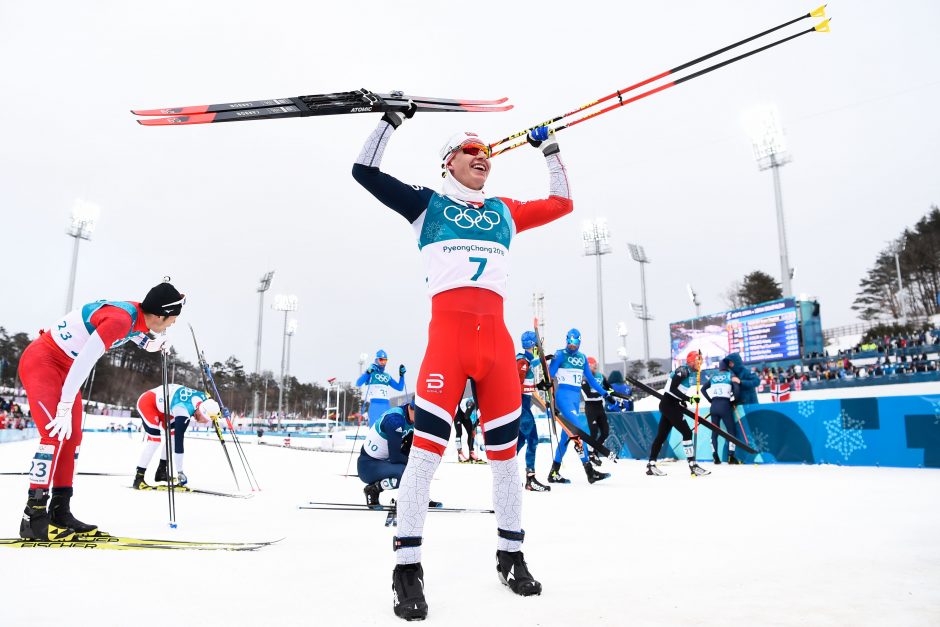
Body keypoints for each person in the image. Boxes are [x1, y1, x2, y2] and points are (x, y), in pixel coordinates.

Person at [352, 103, 573, 619]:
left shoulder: (504, 210)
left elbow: (562, 202)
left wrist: (551, 149)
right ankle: (406, 570)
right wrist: (390, 119)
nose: (483, 157)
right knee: (425, 460)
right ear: (448, 162)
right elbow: (364, 171)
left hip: (495, 347)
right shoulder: (426, 205)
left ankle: (511, 555)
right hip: (446, 347)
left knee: (506, 462)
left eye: (487, 151)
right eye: (471, 151)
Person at [17, 280, 184, 540]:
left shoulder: (136, 316)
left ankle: (60, 511)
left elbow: (137, 334)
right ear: (161, 315)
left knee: (72, 438)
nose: (173, 323)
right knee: (53, 433)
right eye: (173, 318)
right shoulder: (120, 319)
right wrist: (63, 405)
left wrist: (153, 344)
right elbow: (86, 359)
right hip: (44, 361)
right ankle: (34, 516)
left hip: (65, 367)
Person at [547, 330, 612, 485]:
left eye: (575, 343)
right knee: (577, 432)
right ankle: (590, 471)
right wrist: (549, 363)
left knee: (566, 437)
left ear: (580, 342)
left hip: (576, 399)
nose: (572, 345)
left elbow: (591, 379)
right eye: (570, 342)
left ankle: (554, 472)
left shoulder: (582, 357)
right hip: (564, 397)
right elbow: (549, 375)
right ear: (566, 340)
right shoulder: (560, 354)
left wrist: (605, 393)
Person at [132, 384, 220, 489]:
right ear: (201, 412)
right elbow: (179, 442)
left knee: (172, 438)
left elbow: (210, 399)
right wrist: (180, 472)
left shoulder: (205, 399)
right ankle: (138, 478)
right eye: (205, 419)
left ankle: (161, 472)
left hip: (165, 409)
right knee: (155, 441)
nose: (204, 422)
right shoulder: (183, 412)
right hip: (148, 403)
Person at [358, 400, 441, 509]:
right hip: (368, 466)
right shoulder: (395, 420)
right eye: (420, 415)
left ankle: (418, 496)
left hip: (384, 461)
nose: (422, 419)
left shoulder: (413, 417)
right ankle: (373, 489)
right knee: (407, 472)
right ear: (411, 409)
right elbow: (395, 457)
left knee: (418, 467)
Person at [646, 352, 710, 477]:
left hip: (671, 404)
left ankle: (651, 465)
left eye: (700, 361)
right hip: (669, 405)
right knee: (687, 432)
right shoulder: (683, 370)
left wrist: (682, 401)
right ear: (691, 361)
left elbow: (676, 391)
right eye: (697, 361)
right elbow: (671, 390)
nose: (699, 363)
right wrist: (688, 399)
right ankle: (693, 465)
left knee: (661, 436)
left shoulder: (690, 372)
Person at [517, 331, 550, 492]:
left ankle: (506, 474)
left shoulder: (527, 360)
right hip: (522, 407)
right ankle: (530, 479)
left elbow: (526, 384)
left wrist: (541, 386)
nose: (539, 346)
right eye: (537, 343)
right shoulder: (522, 361)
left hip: (524, 405)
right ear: (532, 344)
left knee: (521, 441)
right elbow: (516, 385)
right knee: (533, 440)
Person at [701, 357, 741, 465]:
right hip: (725, 405)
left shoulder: (713, 376)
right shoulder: (730, 376)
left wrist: (711, 400)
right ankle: (731, 457)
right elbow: (736, 390)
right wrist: (734, 401)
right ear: (728, 367)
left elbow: (702, 389)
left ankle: (715, 457)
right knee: (731, 432)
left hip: (714, 406)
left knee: (715, 432)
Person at [356, 350, 407, 427]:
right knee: (374, 429)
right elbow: (358, 383)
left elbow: (399, 388)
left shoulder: (387, 376)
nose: (383, 363)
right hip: (375, 405)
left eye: (385, 360)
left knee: (387, 429)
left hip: (386, 405)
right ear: (376, 360)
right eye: (381, 360)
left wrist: (402, 375)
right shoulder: (371, 373)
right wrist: (368, 372)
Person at [581, 356, 613, 467]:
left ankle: (594, 451)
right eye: (593, 366)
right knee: (594, 432)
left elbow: (610, 388)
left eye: (596, 366)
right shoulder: (584, 379)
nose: (595, 368)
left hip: (600, 407)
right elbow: (588, 395)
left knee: (605, 432)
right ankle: (590, 453)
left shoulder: (601, 376)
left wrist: (613, 394)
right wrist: (603, 393)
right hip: (590, 407)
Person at [453, 396, 484, 463]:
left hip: (466, 412)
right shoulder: (472, 403)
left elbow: (479, 419)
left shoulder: (483, 405)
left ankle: (471, 453)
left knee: (471, 432)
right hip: (459, 412)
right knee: (459, 432)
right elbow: (467, 416)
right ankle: (460, 453)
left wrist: (473, 428)